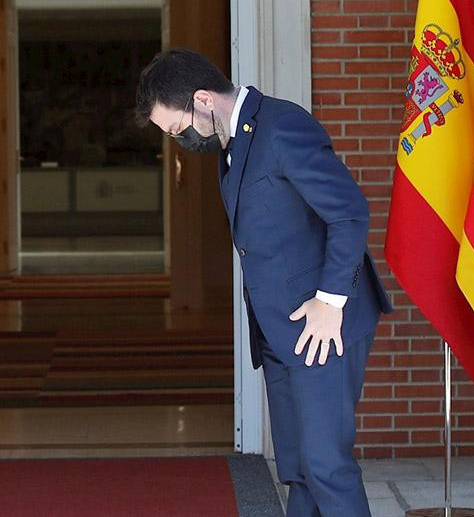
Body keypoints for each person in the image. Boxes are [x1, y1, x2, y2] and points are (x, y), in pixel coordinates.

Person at [137, 49, 391, 517]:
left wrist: (330, 302)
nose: (181, 141)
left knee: (326, 467)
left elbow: (350, 213)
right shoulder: (232, 143)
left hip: (323, 326)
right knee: (298, 467)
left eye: (177, 129)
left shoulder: (281, 127)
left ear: (203, 100)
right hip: (280, 330)